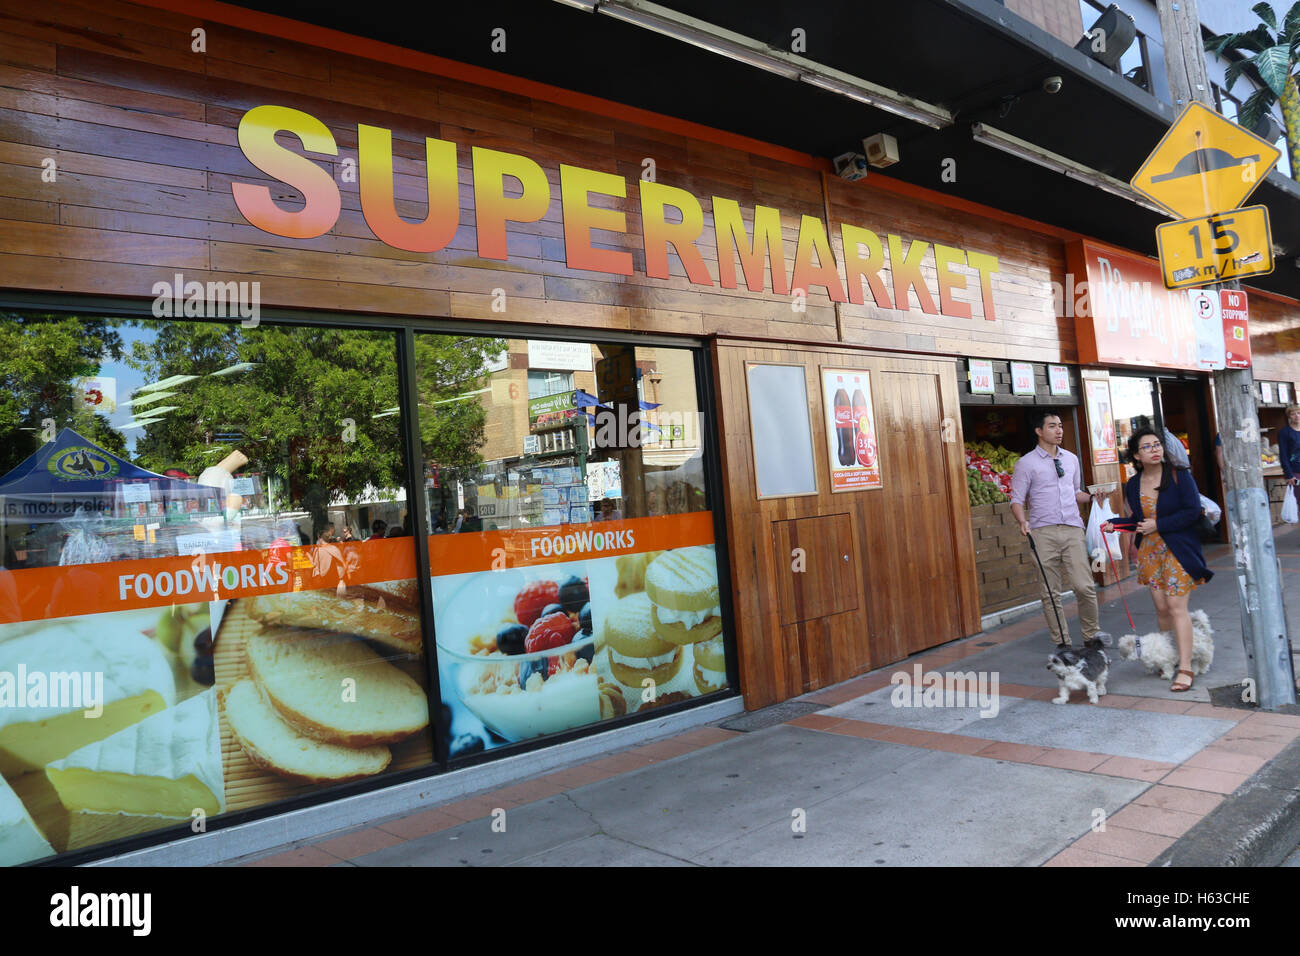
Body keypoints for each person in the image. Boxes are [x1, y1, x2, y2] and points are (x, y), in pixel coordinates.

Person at [1102, 428, 1213, 692]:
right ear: (1137, 455)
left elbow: (1192, 512)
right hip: (1150, 552)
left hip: (1178, 550)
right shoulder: (1133, 484)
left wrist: (1159, 524)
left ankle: (1185, 667)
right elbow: (1139, 523)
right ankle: (1168, 656)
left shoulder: (1179, 475)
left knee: (1176, 607)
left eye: (1157, 445)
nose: (1154, 450)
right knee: (1162, 609)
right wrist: (1115, 524)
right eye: (1147, 447)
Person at [1009, 409, 1100, 648]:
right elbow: (1016, 499)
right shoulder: (1026, 463)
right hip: (1042, 532)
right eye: (1052, 426)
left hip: (1072, 529)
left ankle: (1091, 638)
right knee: (1051, 592)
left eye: (1060, 425)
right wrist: (1022, 521)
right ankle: (1063, 644)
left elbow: (1076, 492)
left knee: (1085, 586)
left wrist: (1093, 498)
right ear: (1039, 431)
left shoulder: (1070, 459)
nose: (1059, 430)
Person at [1281, 404, 1300, 513]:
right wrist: (1289, 474)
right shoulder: (1285, 433)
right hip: (1296, 472)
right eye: (1293, 414)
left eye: (1298, 413)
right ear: (1289, 417)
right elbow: (1283, 455)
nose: (1297, 416)